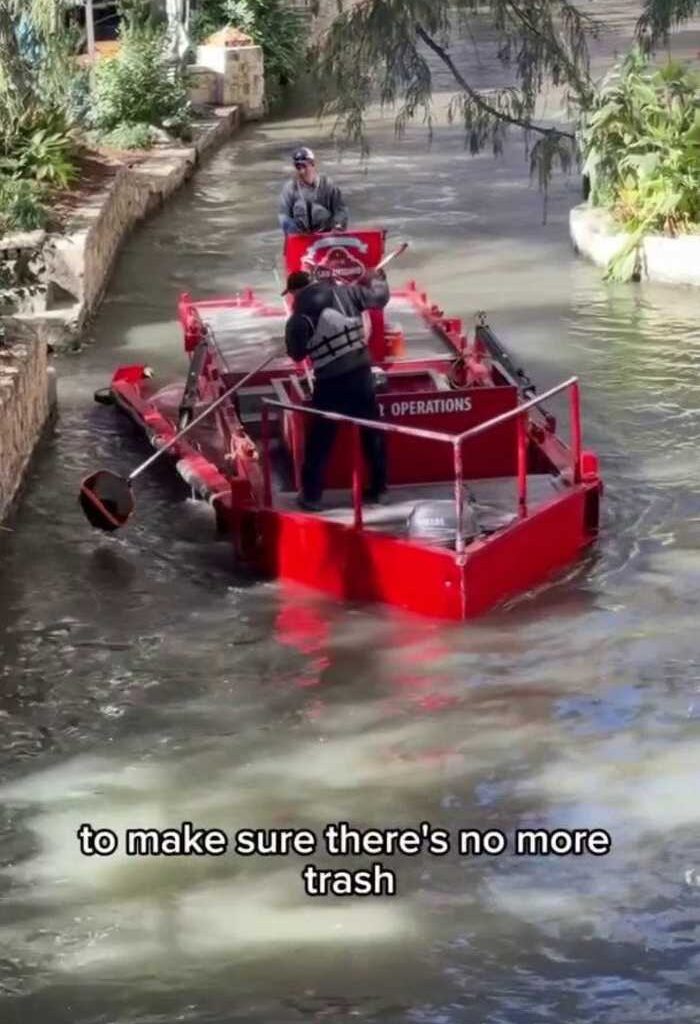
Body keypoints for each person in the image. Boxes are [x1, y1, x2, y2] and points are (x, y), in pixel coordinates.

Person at [283, 267, 389, 511]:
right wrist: (378, 278)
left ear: (295, 292)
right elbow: (380, 299)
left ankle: (312, 497)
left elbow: (297, 354)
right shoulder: (348, 293)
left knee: (320, 441)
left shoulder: (298, 319)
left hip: (330, 382)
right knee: (372, 434)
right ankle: (380, 489)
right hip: (362, 376)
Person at [279, 147, 349, 236]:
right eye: (298, 167)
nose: (301, 171)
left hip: (326, 235)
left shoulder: (327, 185)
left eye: (304, 166)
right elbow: (284, 216)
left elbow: (341, 210)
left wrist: (338, 226)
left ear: (313, 164)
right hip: (301, 237)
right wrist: (293, 232)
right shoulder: (289, 189)